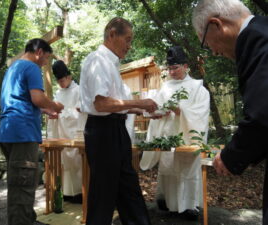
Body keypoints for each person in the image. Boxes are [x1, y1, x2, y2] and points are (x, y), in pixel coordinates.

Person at [192, 0, 268, 224]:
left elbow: (262, 114)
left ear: (216, 24)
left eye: (207, 45)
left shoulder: (258, 40)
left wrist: (231, 156)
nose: (214, 52)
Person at [79, 17, 158, 225]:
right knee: (103, 193)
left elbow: (114, 104)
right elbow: (102, 105)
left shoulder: (111, 64)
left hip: (115, 130)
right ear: (112, 34)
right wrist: (140, 102)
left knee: (128, 188)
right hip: (103, 132)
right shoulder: (98, 60)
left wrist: (139, 109)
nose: (129, 46)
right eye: (128, 39)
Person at [0, 38, 64, 225]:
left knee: (17, 184)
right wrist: (55, 106)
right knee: (24, 187)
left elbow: (20, 99)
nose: (45, 64)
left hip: (7, 132)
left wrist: (44, 110)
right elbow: (38, 98)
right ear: (39, 52)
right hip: (23, 134)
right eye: (46, 59)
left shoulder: (12, 69)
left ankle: (28, 220)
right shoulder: (32, 67)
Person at [140, 46, 210, 220]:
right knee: (169, 168)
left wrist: (181, 110)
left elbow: (200, 113)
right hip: (168, 136)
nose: (171, 71)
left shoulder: (197, 88)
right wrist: (158, 112)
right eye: (169, 68)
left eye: (175, 67)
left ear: (186, 66)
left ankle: (189, 206)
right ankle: (171, 204)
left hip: (187, 136)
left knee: (187, 170)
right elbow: (155, 107)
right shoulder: (165, 87)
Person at [47, 60, 86, 203]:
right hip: (62, 132)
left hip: (75, 132)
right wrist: (52, 113)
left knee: (77, 162)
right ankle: (68, 193)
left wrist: (61, 114)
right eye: (58, 81)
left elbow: (80, 112)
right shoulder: (58, 93)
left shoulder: (79, 90)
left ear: (69, 76)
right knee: (65, 164)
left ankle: (81, 193)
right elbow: (54, 108)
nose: (61, 83)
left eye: (62, 80)